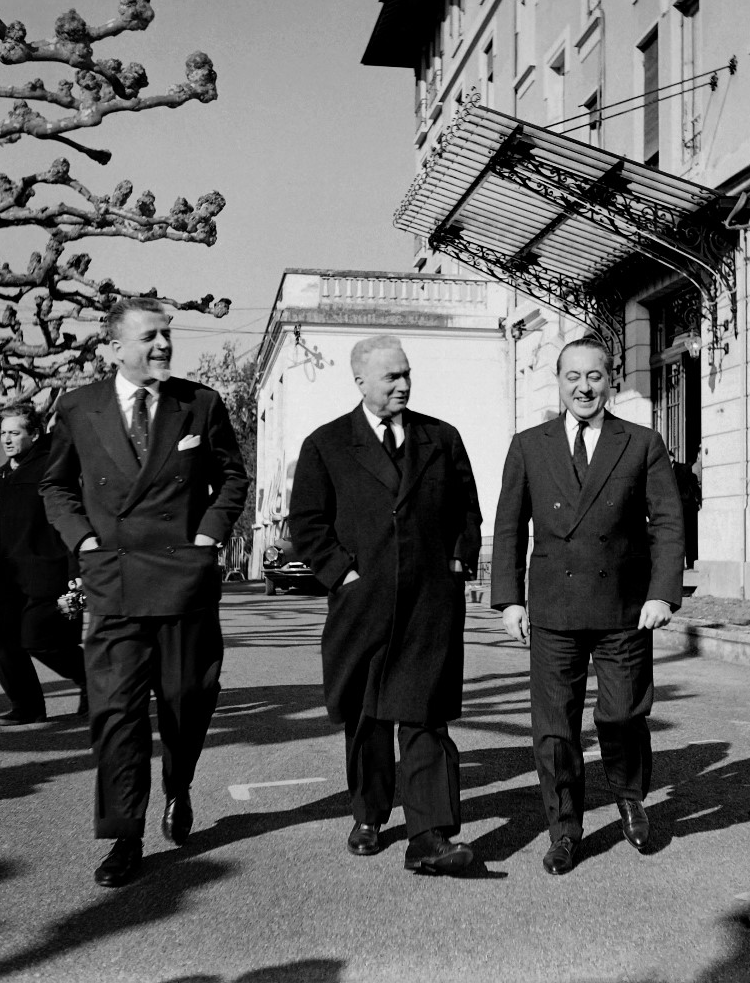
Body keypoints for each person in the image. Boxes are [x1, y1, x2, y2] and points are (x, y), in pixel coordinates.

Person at [40, 297, 248, 888]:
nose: (162, 346)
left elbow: (233, 476)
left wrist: (210, 533)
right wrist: (81, 540)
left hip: (184, 578)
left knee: (187, 698)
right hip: (112, 579)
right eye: (149, 336)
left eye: (167, 335)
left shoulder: (199, 403)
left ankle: (177, 784)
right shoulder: (78, 407)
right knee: (115, 713)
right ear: (114, 347)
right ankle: (123, 836)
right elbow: (55, 486)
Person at [491, 337, 685, 875]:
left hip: (624, 607)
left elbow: (667, 522)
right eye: (573, 377)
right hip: (553, 607)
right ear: (559, 382)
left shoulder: (641, 442)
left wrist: (662, 592)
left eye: (594, 376)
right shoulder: (530, 444)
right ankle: (564, 830)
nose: (584, 387)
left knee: (623, 713)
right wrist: (508, 600)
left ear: (610, 381)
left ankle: (628, 796)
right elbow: (508, 527)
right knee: (554, 729)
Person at [288, 334, 482, 875]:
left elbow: (468, 511)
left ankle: (430, 836)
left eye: (406, 374)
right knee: (367, 718)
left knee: (425, 718)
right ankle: (370, 814)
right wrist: (343, 574)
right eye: (390, 376)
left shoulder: (440, 437)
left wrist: (456, 561)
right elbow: (307, 524)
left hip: (429, 603)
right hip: (362, 603)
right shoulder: (326, 444)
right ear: (360, 383)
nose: (402, 384)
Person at [0, 404, 86, 723]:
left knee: (43, 639)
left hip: (53, 578)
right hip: (10, 581)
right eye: (3, 433)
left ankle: (91, 680)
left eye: (15, 432)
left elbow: (72, 520)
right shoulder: (2, 477)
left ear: (34, 434)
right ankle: (28, 706)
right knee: (1, 645)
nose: (6, 439)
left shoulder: (54, 470)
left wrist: (78, 572)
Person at [672, 451, 702, 570]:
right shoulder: (664, 472)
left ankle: (691, 562)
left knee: (690, 536)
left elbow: (693, 487)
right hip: (675, 509)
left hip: (686, 507)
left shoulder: (684, 468)